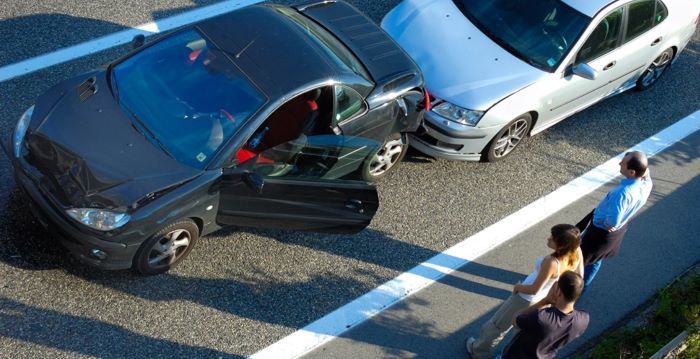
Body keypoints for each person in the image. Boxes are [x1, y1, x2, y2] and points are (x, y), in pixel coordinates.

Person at [466, 224, 584, 359]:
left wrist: (518, 287)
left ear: (561, 245)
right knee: (520, 331)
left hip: (524, 299)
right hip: (542, 301)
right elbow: (580, 276)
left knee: (497, 326)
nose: (549, 238)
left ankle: (479, 352)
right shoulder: (574, 255)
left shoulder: (552, 262)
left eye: (553, 238)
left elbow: (534, 289)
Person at [578, 151, 652, 290]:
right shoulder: (646, 185)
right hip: (617, 233)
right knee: (596, 260)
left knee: (580, 260)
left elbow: (612, 222)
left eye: (623, 163)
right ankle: (582, 288)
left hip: (599, 233)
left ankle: (567, 290)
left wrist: (604, 223)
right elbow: (646, 172)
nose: (620, 163)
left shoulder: (623, 193)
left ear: (631, 172)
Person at [499, 271, 590, 359]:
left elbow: (515, 319)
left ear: (558, 291)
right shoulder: (583, 320)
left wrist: (545, 301)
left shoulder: (541, 318)